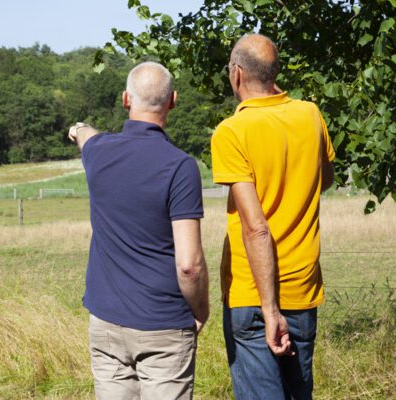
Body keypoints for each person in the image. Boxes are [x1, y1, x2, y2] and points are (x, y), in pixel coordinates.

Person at [68, 61, 210, 400]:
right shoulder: (180, 167)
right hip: (162, 324)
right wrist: (200, 311)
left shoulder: (99, 152)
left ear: (125, 99)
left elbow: (86, 136)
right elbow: (189, 264)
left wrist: (77, 128)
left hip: (105, 320)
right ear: (173, 101)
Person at [211, 34, 335, 399]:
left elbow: (256, 228)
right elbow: (322, 180)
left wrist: (269, 309)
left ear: (236, 74)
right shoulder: (310, 115)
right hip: (303, 291)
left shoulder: (231, 132)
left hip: (253, 298)